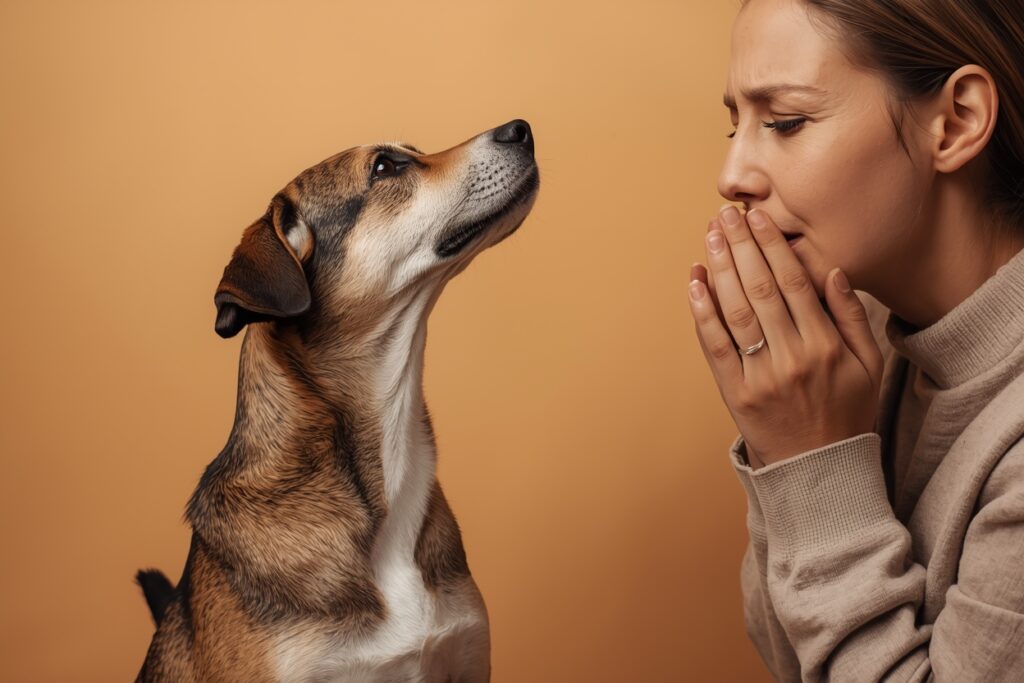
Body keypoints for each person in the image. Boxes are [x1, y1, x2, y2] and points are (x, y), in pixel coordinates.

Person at [686, 0, 1024, 680]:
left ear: (956, 121)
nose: (733, 176)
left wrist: (814, 463)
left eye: (784, 122)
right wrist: (785, 442)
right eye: (735, 125)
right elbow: (795, 655)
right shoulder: (845, 352)